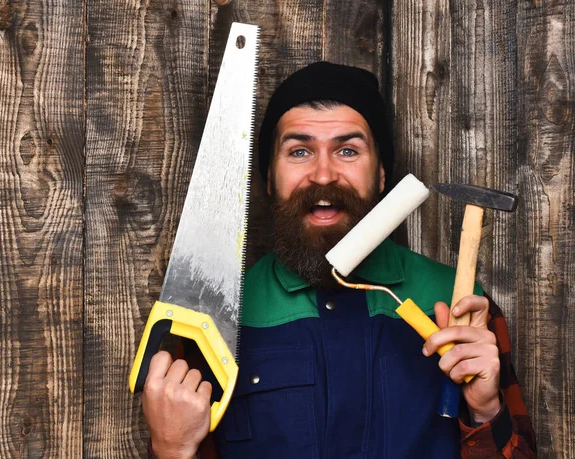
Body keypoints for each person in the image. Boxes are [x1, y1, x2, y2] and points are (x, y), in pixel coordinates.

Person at [141, 62, 536, 458]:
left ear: (381, 175)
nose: (324, 175)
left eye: (348, 150)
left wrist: (486, 411)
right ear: (268, 178)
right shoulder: (214, 321)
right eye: (299, 151)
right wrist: (173, 448)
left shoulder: (459, 306)